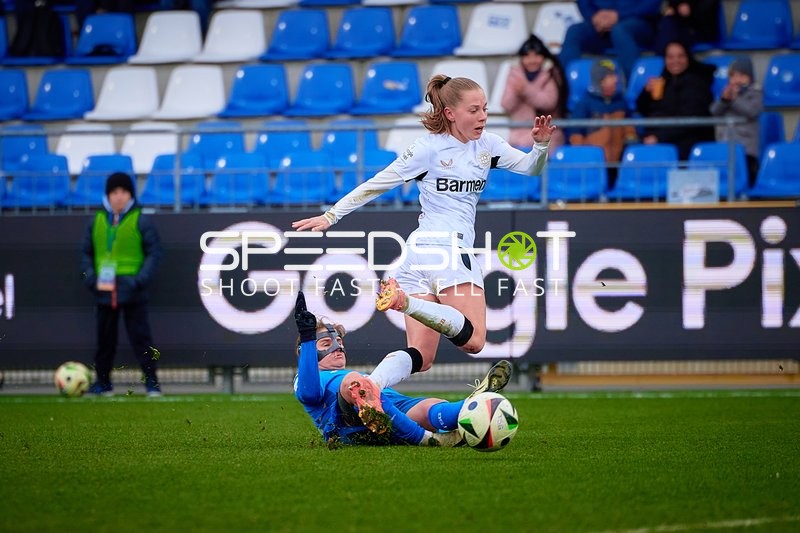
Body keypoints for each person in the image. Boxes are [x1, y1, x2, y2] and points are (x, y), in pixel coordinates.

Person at [292, 74, 555, 390]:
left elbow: (531, 167)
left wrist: (540, 145)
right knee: (475, 341)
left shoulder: (488, 145)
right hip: (448, 251)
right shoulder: (428, 149)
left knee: (422, 356)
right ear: (450, 113)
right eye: (474, 110)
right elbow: (379, 182)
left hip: (417, 253)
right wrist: (331, 216)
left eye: (485, 108)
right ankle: (404, 302)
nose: (483, 116)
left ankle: (366, 388)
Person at [292, 291, 512, 446]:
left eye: (340, 342)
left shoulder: (348, 375)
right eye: (326, 344)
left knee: (432, 407)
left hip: (388, 407)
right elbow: (308, 393)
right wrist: (309, 338)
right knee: (356, 383)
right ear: (308, 353)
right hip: (349, 422)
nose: (337, 347)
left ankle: (474, 404)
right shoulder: (308, 377)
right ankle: (426, 439)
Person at [79, 172, 163, 396]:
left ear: (130, 195)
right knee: (104, 340)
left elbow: (154, 254)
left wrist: (139, 280)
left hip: (132, 289)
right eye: (114, 192)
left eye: (123, 192)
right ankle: (103, 383)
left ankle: (152, 383)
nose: (119, 197)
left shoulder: (141, 220)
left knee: (141, 340)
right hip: (103, 289)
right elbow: (85, 254)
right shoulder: (95, 221)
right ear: (108, 195)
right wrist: (91, 278)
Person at [635, 40, 716, 160]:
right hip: (659, 137)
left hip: (689, 141)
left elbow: (689, 121)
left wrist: (658, 137)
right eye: (670, 57)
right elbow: (642, 110)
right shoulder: (663, 81)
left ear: (688, 57)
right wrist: (646, 93)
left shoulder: (698, 84)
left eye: (680, 56)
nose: (675, 61)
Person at [559, 0, 662, 79]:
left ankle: (628, 88)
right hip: (600, 24)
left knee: (620, 31)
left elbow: (653, 4)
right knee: (574, 31)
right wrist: (593, 16)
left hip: (638, 23)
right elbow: (584, 2)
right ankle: (564, 85)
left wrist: (619, 15)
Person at [568, 59, 638, 175]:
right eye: (611, 76)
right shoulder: (585, 103)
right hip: (593, 165)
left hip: (618, 163)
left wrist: (631, 140)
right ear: (600, 81)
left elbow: (629, 128)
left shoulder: (621, 102)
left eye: (615, 75)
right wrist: (582, 154)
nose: (616, 80)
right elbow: (576, 134)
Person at [501, 34, 568, 151]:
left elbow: (549, 102)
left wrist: (526, 91)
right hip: (519, 133)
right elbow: (506, 104)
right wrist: (516, 93)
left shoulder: (551, 73)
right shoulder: (514, 75)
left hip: (548, 133)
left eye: (536, 55)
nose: (532, 61)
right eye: (527, 56)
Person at [709, 56, 763, 187]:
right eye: (733, 76)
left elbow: (752, 111)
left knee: (747, 180)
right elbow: (714, 111)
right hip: (726, 147)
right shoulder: (727, 95)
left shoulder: (755, 93)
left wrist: (734, 100)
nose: (737, 80)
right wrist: (724, 100)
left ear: (750, 77)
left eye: (742, 75)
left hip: (747, 150)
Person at [655, 1, 721, 54]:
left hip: (700, 30)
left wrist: (681, 9)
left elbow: (701, 16)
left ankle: (666, 56)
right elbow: (671, 8)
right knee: (667, 22)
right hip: (680, 27)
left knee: (671, 33)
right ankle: (663, 57)